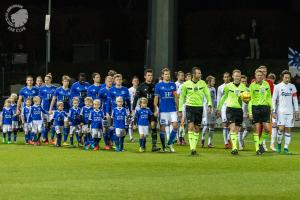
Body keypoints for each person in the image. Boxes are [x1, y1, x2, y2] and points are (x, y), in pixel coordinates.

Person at [178, 67, 212, 155]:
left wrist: (209, 104)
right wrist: (180, 110)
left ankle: (194, 148)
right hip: (189, 107)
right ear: (194, 74)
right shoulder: (186, 84)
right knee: (190, 126)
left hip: (199, 108)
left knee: (197, 129)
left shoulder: (202, 83)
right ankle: (192, 148)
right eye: (198, 73)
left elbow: (207, 94)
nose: (200, 75)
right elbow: (181, 98)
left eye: (200, 73)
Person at [217, 70, 247, 155]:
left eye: (239, 76)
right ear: (233, 76)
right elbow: (224, 97)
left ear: (240, 77)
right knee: (233, 128)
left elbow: (247, 100)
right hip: (230, 109)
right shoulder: (228, 86)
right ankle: (234, 148)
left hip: (239, 110)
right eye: (236, 76)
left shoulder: (243, 87)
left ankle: (234, 145)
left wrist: (247, 101)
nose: (237, 77)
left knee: (237, 130)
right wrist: (219, 108)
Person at [132, 69, 161, 152]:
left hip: (151, 110)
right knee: (144, 130)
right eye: (148, 75)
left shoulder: (155, 86)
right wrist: (133, 109)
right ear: (145, 76)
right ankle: (143, 145)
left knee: (153, 125)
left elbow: (157, 99)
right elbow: (135, 98)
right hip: (142, 111)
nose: (150, 77)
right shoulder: (141, 87)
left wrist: (156, 109)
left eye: (151, 75)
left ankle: (154, 145)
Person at [272, 70, 299, 154]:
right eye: (286, 77)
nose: (287, 79)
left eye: (288, 77)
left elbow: (295, 99)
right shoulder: (278, 87)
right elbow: (273, 99)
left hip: (290, 112)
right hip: (280, 111)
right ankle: (279, 144)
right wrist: (273, 110)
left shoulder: (293, 86)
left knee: (288, 129)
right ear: (282, 77)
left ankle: (286, 148)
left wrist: (297, 110)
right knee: (280, 129)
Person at [154, 68, 179, 152]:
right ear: (162, 75)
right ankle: (164, 147)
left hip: (172, 109)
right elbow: (156, 98)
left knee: (175, 126)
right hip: (163, 110)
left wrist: (178, 109)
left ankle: (170, 142)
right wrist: (155, 109)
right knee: (162, 128)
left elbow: (176, 97)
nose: (167, 75)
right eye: (166, 74)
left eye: (168, 74)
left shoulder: (173, 85)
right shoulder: (158, 85)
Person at [248, 69, 272, 155]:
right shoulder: (252, 86)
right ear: (255, 76)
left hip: (265, 108)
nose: (259, 77)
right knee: (257, 129)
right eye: (258, 75)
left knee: (267, 129)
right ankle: (257, 149)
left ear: (263, 76)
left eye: (261, 75)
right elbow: (250, 100)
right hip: (255, 108)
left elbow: (269, 96)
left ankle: (260, 142)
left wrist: (272, 108)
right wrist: (250, 112)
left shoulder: (266, 84)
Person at [49, 75, 71, 145]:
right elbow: (53, 99)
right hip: (58, 110)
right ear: (62, 82)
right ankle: (52, 138)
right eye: (65, 81)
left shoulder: (70, 91)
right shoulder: (58, 89)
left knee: (66, 125)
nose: (66, 82)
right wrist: (50, 109)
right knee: (55, 125)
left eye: (67, 81)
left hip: (66, 110)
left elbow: (72, 101)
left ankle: (64, 141)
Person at [39, 73, 56, 144]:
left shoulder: (55, 88)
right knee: (45, 125)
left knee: (53, 124)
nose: (46, 81)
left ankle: (52, 138)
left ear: (51, 80)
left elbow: (56, 99)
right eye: (45, 80)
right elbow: (40, 99)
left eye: (47, 80)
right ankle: (45, 138)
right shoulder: (42, 88)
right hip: (45, 109)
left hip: (53, 109)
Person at [201, 75, 217, 148]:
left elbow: (215, 99)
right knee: (206, 125)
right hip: (206, 108)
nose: (214, 82)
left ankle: (210, 142)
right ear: (209, 81)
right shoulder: (204, 88)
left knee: (212, 125)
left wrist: (216, 109)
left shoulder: (213, 89)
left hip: (213, 108)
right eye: (213, 81)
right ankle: (203, 139)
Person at [217, 72, 231, 148]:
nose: (226, 78)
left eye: (227, 77)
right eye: (225, 77)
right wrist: (218, 109)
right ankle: (226, 142)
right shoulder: (220, 87)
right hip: (224, 107)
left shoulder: (232, 86)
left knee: (232, 124)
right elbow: (218, 98)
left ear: (230, 78)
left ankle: (229, 138)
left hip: (231, 106)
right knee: (225, 124)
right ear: (223, 78)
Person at [99, 76, 113, 149]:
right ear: (105, 82)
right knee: (105, 128)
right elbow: (99, 102)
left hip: (113, 111)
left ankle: (110, 142)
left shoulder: (114, 90)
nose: (110, 83)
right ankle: (106, 144)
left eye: (111, 81)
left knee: (111, 128)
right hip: (104, 112)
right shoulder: (102, 91)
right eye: (108, 81)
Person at [238, 75, 251, 150]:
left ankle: (242, 139)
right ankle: (240, 143)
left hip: (246, 112)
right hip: (239, 111)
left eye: (245, 81)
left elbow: (250, 102)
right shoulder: (238, 90)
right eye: (242, 81)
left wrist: (250, 112)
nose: (244, 82)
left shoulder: (248, 90)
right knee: (241, 128)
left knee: (249, 128)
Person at [128, 76, 139, 143]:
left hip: (139, 108)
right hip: (132, 108)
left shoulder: (140, 89)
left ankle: (142, 135)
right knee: (131, 123)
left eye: (137, 81)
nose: (135, 82)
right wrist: (130, 109)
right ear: (132, 82)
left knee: (140, 123)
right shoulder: (129, 90)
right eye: (134, 81)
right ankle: (131, 137)